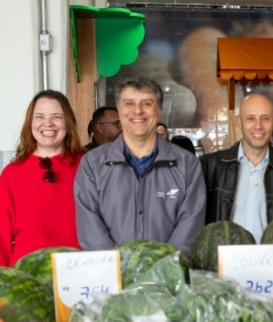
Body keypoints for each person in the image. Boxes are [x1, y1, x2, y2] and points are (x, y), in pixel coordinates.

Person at [74, 76, 206, 255]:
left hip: (167, 276)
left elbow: (189, 228)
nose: (138, 111)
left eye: (147, 103)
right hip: (112, 277)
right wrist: (119, 269)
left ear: (159, 111)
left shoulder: (187, 165)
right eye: (129, 103)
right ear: (119, 111)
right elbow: (91, 229)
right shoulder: (92, 164)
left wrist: (162, 268)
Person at [0, 90, 84, 266]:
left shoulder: (88, 166)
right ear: (30, 123)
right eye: (39, 116)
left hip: (79, 267)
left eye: (57, 117)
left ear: (68, 123)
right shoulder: (12, 173)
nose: (48, 123)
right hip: (26, 271)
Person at [199, 93, 273, 242]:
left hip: (272, 261)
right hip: (222, 261)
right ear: (239, 121)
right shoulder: (210, 166)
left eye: (265, 118)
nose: (258, 126)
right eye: (250, 118)